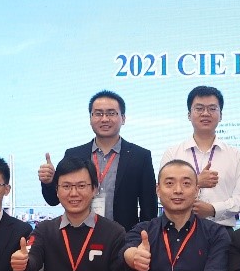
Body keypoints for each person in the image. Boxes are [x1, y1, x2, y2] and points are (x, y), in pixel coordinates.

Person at [38, 90, 157, 232]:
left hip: (124, 238)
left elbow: (149, 208)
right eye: (99, 114)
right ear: (90, 118)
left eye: (111, 113)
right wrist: (48, 182)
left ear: (123, 118)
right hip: (78, 235)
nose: (105, 119)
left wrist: (139, 238)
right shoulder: (73, 154)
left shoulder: (140, 156)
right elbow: (53, 200)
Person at [160, 85, 240, 227]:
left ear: (221, 115)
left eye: (212, 109)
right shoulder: (173, 153)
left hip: (222, 230)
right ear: (189, 115)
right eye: (199, 108)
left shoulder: (235, 155)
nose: (205, 113)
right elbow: (164, 192)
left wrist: (213, 210)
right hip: (179, 229)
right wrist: (196, 182)